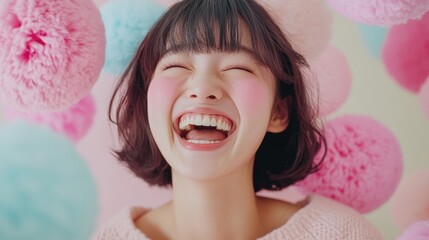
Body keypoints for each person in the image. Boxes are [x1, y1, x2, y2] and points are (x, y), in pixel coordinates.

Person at [93, 0, 383, 239]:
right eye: (177, 65)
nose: (203, 89)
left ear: (278, 112)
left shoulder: (339, 234)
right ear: (146, 102)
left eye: (237, 67)